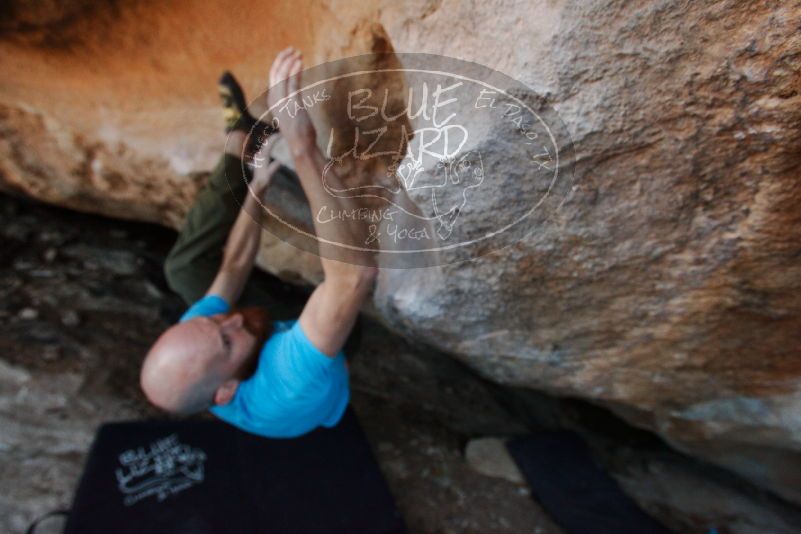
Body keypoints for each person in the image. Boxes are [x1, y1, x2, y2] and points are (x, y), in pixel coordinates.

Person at [140, 47, 377, 438]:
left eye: (214, 319)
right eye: (226, 337)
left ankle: (240, 144)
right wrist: (302, 143)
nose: (230, 316)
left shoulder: (198, 337)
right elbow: (355, 276)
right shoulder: (283, 383)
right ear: (227, 390)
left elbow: (232, 267)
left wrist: (257, 189)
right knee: (347, 272)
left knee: (182, 271)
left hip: (272, 338)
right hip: (332, 349)